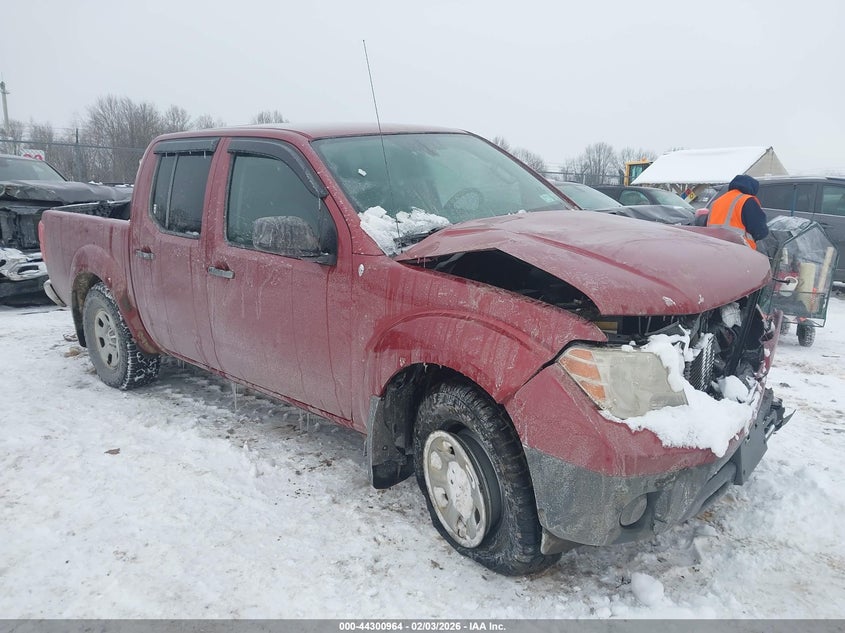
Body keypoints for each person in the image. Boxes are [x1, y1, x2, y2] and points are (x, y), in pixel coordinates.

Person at [706, 174, 769, 250]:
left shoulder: (716, 202)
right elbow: (760, 230)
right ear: (753, 189)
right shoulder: (747, 201)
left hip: (714, 247)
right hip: (739, 249)